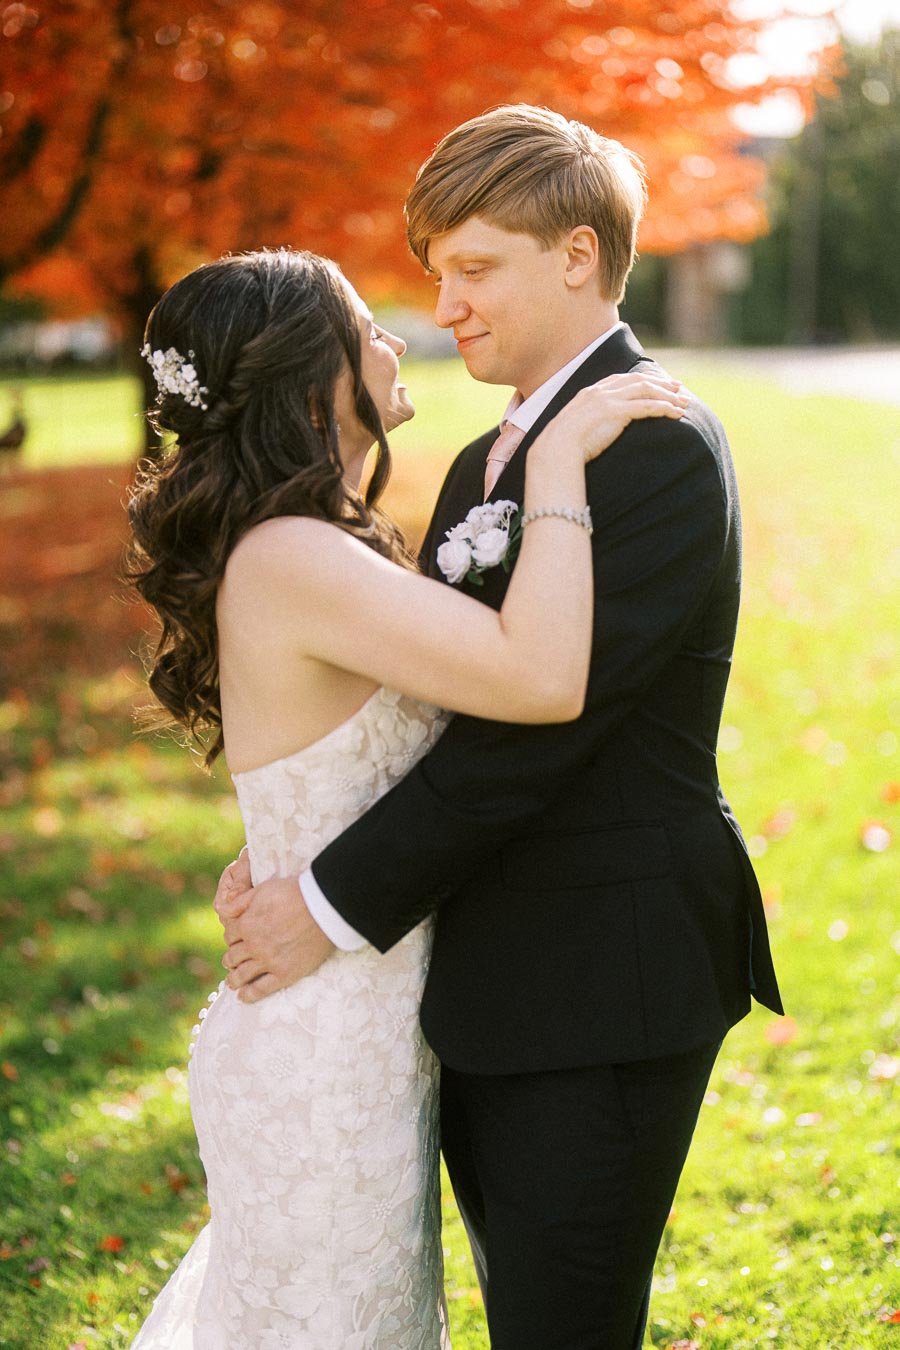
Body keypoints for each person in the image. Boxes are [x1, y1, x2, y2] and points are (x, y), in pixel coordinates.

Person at [216, 106, 784, 1349]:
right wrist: (292, 823)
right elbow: (430, 700)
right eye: (437, 275)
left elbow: (536, 734)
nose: (448, 304)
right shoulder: (485, 462)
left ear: (577, 255)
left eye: (475, 268)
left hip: (607, 967)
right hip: (489, 978)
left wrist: (323, 900)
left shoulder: (654, 444)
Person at [125, 245, 685, 1348]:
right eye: (362, 326)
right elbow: (538, 677)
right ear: (308, 373)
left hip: (360, 1026)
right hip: (326, 1057)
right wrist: (560, 461)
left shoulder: (306, 544)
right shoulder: (293, 555)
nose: (395, 334)